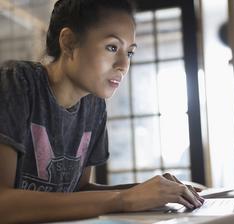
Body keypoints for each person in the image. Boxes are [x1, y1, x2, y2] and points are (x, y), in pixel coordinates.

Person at [0, 0, 204, 223]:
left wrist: (151, 191)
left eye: (130, 52)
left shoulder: (94, 107)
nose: (124, 65)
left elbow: (77, 190)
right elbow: (3, 203)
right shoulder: (16, 83)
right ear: (68, 42)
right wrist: (124, 199)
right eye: (112, 47)